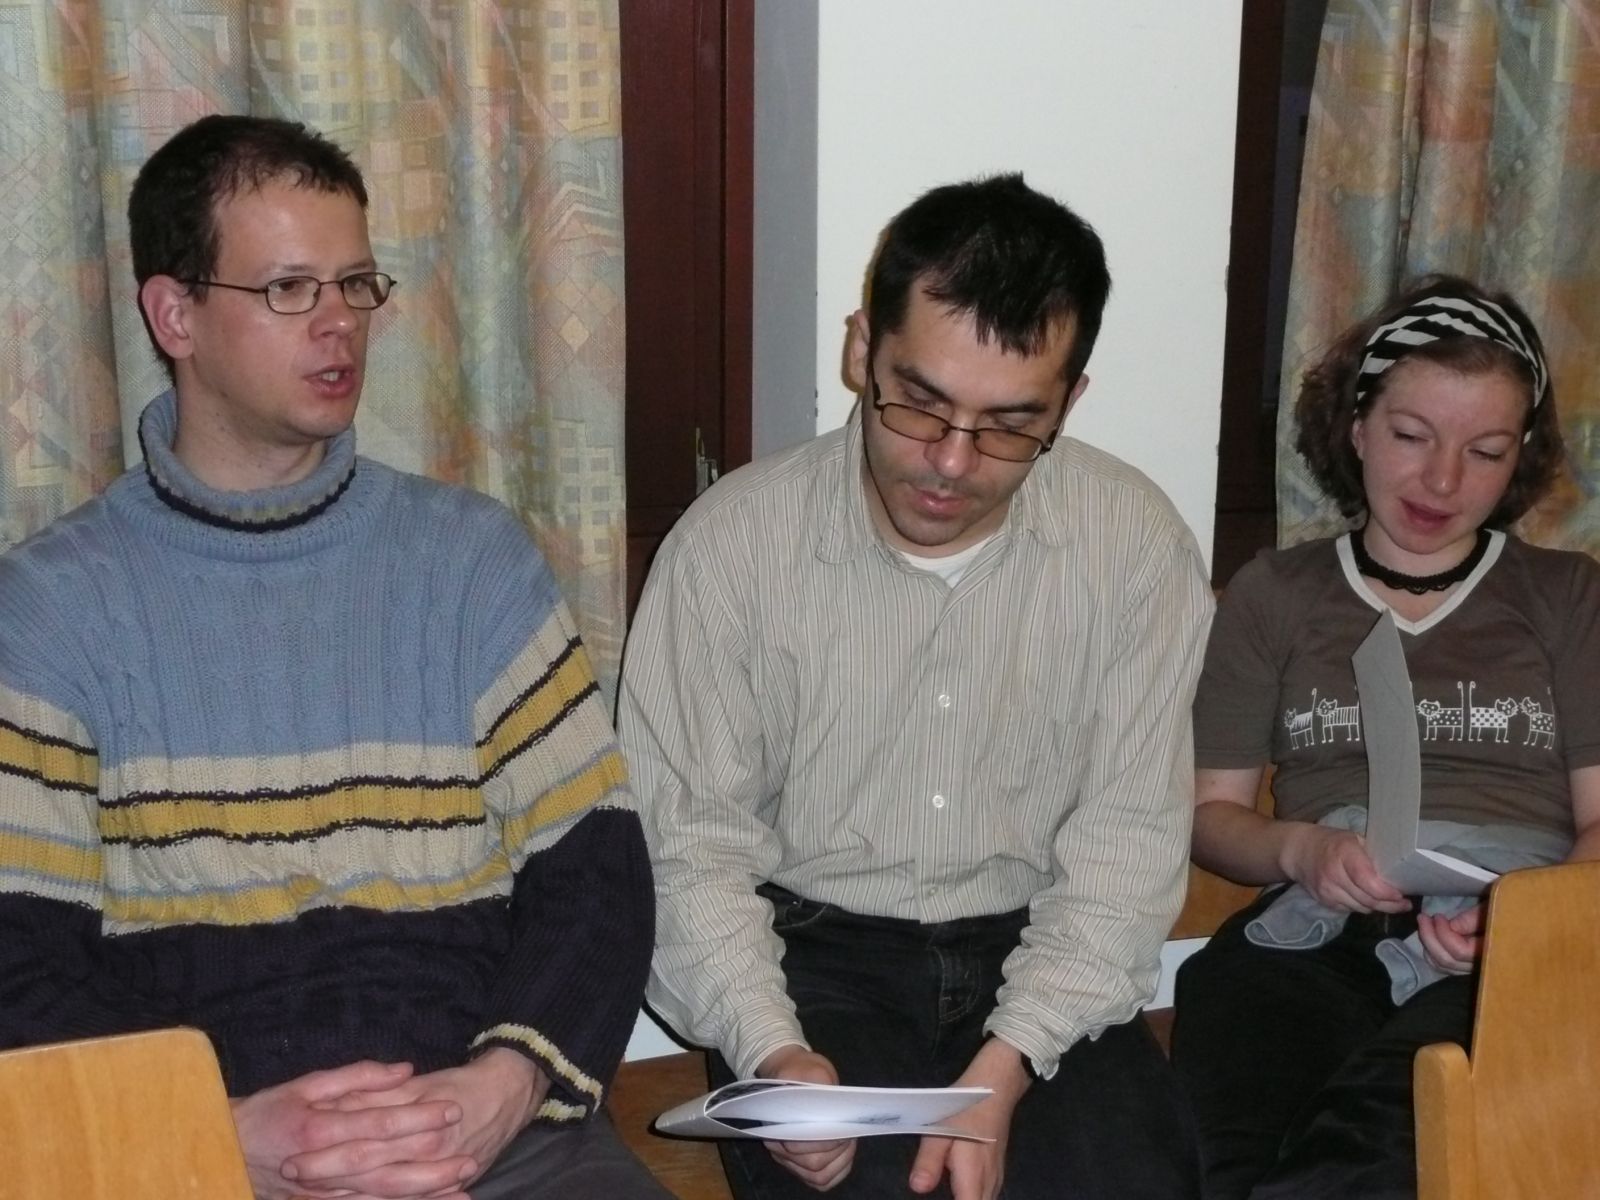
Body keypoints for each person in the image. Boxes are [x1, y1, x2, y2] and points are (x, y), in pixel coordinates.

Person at [0, 114, 669, 1200]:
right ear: (174, 314)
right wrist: (212, 1131)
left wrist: (502, 1088)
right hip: (206, 1149)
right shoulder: (51, 607)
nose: (340, 325)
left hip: (484, 1134)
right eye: (288, 289)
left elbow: (595, 875)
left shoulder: (472, 562)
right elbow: (20, 956)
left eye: (356, 285)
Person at [618, 174, 1212, 1200]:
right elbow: (687, 850)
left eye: (1009, 425)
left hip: (1039, 945)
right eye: (920, 403)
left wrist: (1006, 1065)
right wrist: (772, 1054)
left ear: (1069, 403)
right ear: (862, 351)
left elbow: (1124, 849)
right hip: (810, 959)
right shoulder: (730, 550)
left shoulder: (1133, 547)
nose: (949, 462)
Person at [1169, 276, 1600, 1199]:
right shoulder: (1275, 594)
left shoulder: (1567, 595)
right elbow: (1212, 816)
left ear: (1521, 457)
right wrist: (1303, 849)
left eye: (1485, 452)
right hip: (1318, 927)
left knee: (1379, 1135)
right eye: (1411, 436)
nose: (1443, 481)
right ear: (1358, 425)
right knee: (1231, 1126)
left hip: (1506, 937)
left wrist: (1520, 926)